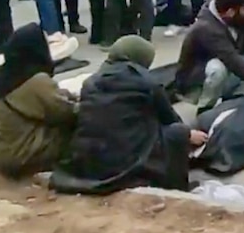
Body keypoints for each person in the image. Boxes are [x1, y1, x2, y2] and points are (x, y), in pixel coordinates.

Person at [56, 35, 206, 194]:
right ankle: (176, 187)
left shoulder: (90, 82)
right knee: (177, 133)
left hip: (88, 161)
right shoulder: (146, 82)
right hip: (125, 163)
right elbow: (170, 119)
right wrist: (189, 134)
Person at [0, 23, 77, 179]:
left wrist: (68, 95)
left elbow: (44, 99)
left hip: (2, 154)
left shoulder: (5, 76)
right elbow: (66, 112)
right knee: (85, 130)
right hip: (21, 157)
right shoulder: (36, 80)